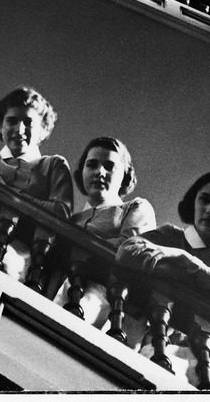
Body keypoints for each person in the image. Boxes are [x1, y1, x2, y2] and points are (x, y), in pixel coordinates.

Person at [116, 171, 210, 387]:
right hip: (156, 340)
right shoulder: (171, 236)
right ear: (194, 202)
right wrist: (186, 274)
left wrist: (191, 264)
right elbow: (126, 251)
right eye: (205, 199)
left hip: (206, 359)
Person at [0, 86, 73, 281]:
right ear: (1, 126)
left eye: (28, 122)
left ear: (43, 129)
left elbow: (61, 212)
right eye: (11, 121)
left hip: (20, 255)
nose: (19, 129)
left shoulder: (53, 165)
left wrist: (6, 192)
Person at [54, 136, 156, 325]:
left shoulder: (135, 208)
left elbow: (131, 251)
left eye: (109, 166)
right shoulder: (71, 220)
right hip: (56, 286)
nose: (99, 172)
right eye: (91, 165)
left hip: (101, 299)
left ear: (125, 175)